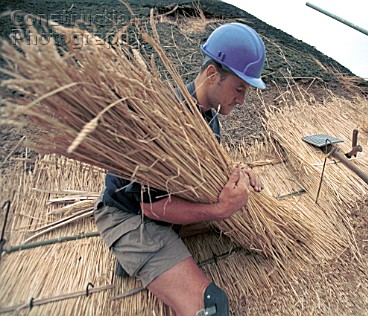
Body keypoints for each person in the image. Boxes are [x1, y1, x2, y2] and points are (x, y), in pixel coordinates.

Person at [93, 22, 266, 316]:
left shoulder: (209, 121)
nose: (242, 100)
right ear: (213, 74)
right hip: (131, 215)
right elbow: (150, 207)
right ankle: (131, 249)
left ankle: (144, 258)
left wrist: (237, 173)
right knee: (211, 307)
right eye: (239, 88)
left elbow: (202, 176)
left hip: (161, 211)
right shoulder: (167, 122)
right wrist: (220, 210)